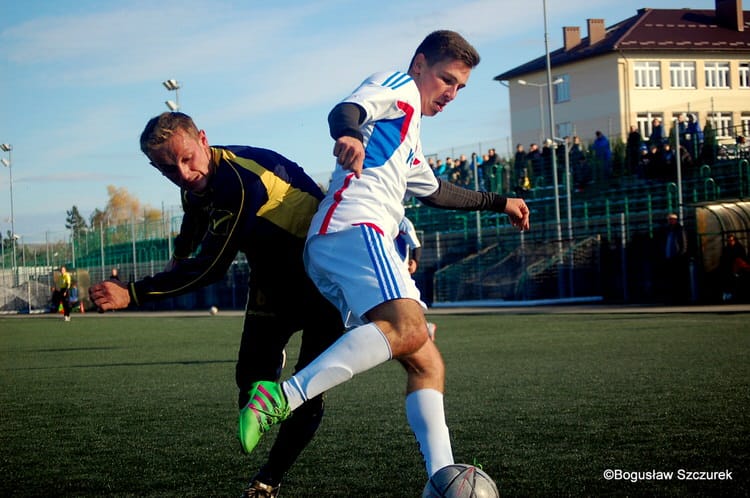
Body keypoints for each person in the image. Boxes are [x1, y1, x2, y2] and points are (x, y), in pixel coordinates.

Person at [237, 30, 530, 480]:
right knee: (409, 328)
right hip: (355, 226)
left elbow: (435, 191)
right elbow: (346, 110)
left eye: (460, 87)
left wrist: (498, 202)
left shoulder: (408, 133)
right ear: (419, 65)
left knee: (426, 359)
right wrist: (349, 134)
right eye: (446, 79)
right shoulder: (399, 86)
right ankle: (280, 399)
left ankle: (442, 479)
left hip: (350, 239)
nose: (451, 93)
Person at [87, 111, 346, 498]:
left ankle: (268, 481)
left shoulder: (239, 182)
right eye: (168, 169)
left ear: (203, 139)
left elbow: (210, 269)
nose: (184, 173)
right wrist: (179, 255)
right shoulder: (194, 182)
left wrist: (134, 293)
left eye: (187, 157)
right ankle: (270, 389)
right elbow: (193, 216)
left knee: (307, 391)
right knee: (249, 386)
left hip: (327, 283)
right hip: (273, 282)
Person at [396, 216, 436, 340]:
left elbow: (415, 245)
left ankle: (424, 326)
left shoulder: (403, 222)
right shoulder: (377, 216)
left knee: (405, 299)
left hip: (399, 269)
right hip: (384, 267)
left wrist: (415, 261)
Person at [660, 213, 689, 303]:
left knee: (679, 279)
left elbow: (684, 243)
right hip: (670, 257)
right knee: (672, 279)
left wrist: (681, 255)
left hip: (677, 258)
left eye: (671, 219)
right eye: (668, 220)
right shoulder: (668, 230)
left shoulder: (680, 229)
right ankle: (674, 297)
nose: (669, 221)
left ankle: (681, 298)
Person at [719, 233, 750, 302]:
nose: (730, 242)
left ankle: (735, 296)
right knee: (729, 282)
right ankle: (729, 296)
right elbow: (723, 259)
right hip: (729, 269)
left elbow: (742, 258)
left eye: (732, 240)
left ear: (735, 240)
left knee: (737, 282)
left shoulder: (739, 247)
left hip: (738, 269)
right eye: (729, 240)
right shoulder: (727, 248)